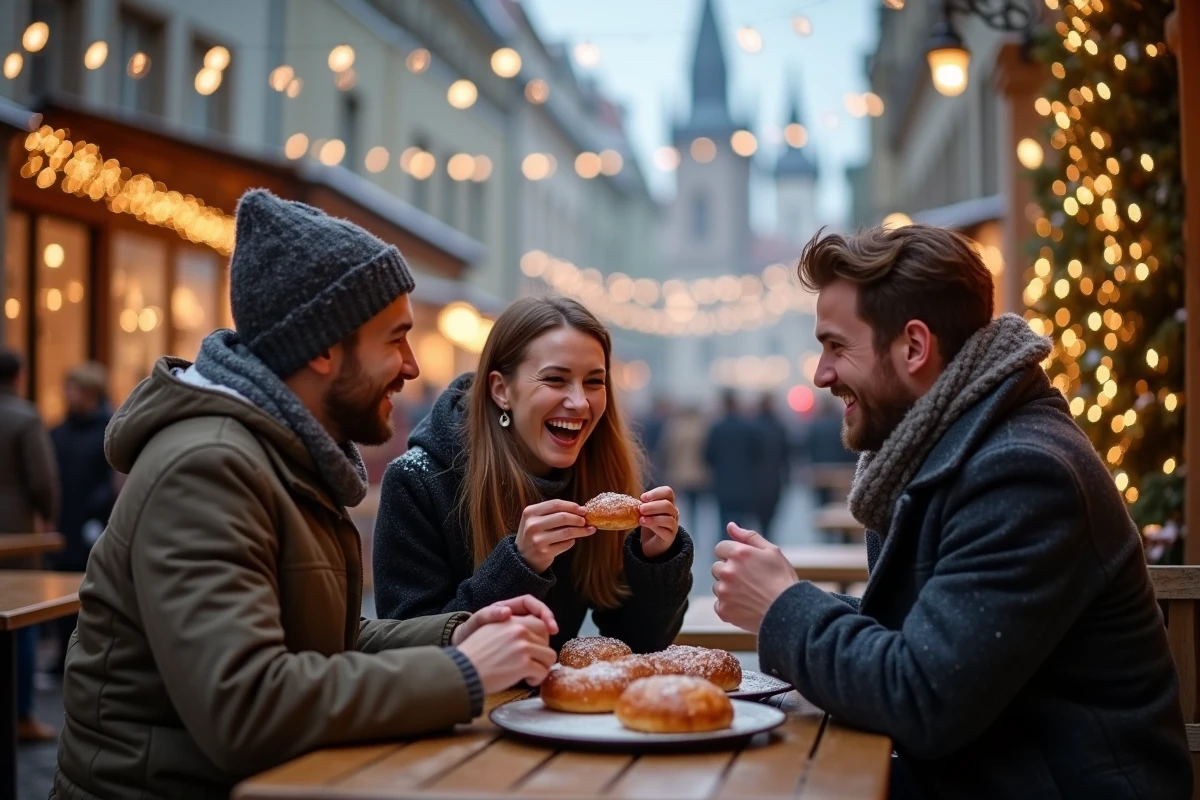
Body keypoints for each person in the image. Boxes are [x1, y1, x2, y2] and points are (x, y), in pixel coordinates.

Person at [53, 190, 559, 800]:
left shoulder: (279, 457)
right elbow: (245, 707)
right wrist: (467, 672)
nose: (412, 366)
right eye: (395, 339)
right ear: (322, 348)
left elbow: (324, 642)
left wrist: (455, 633)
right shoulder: (208, 468)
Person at [711, 224, 1191, 799]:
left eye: (837, 346)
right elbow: (926, 641)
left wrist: (783, 607)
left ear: (913, 347)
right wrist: (785, 596)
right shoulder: (957, 448)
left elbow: (923, 698)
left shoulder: (1022, 473)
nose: (821, 375)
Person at [372, 296, 693, 654]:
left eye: (594, 382)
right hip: (464, 709)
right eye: (555, 379)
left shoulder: (605, 477)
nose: (580, 402)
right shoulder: (417, 482)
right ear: (501, 390)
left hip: (561, 705)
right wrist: (519, 565)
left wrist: (656, 562)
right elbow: (408, 655)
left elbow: (637, 643)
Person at [0, 348, 59, 742]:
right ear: (19, 376)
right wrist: (48, 515)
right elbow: (42, 480)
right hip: (15, 530)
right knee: (20, 620)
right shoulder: (24, 417)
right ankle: (20, 714)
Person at [49, 361, 116, 674]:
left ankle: (84, 654)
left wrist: (98, 511)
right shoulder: (59, 432)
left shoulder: (109, 430)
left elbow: (113, 478)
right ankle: (61, 652)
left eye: (74, 389)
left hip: (93, 523)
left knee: (87, 589)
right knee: (58, 587)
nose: (68, 395)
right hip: (64, 522)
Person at [704, 389, 762, 536]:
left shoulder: (717, 428)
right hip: (744, 482)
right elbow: (757, 456)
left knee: (724, 522)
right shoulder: (747, 428)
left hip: (722, 482)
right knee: (741, 523)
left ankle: (725, 552)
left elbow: (708, 456)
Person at [751, 393, 790, 541]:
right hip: (774, 479)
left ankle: (762, 536)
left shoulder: (752, 427)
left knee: (759, 516)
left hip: (756, 480)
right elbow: (786, 455)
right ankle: (767, 536)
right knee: (770, 516)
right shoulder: (779, 427)